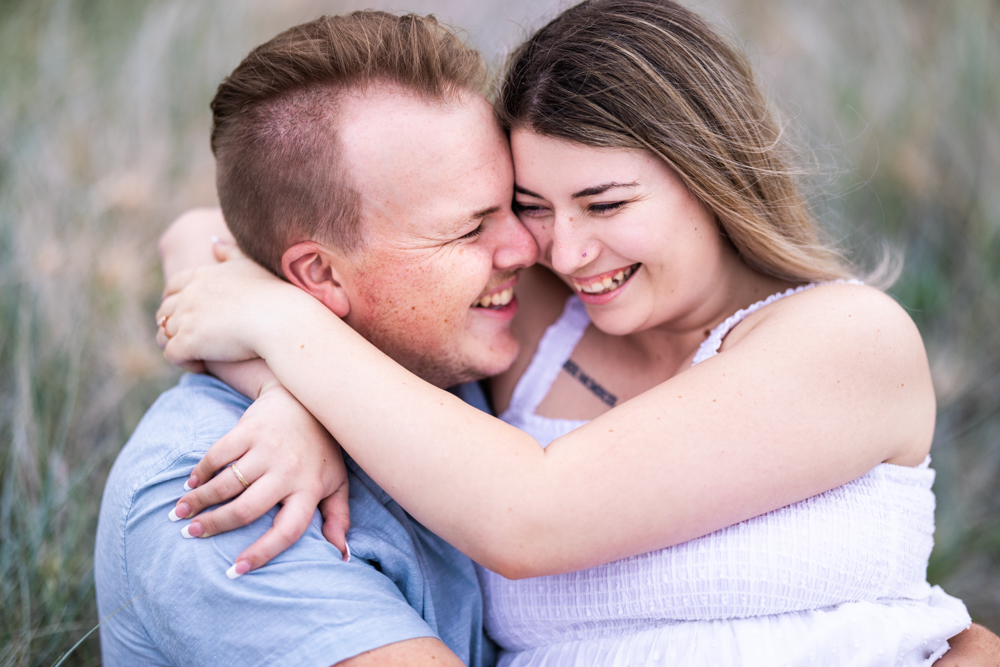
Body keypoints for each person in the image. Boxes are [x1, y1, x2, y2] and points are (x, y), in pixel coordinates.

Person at [156, 1, 998, 665]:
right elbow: (209, 235)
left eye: (605, 203)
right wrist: (289, 399)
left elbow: (532, 515)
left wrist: (277, 327)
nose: (562, 248)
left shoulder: (847, 338)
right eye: (531, 205)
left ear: (708, 172)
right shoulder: (531, 324)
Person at [95, 12, 539, 666]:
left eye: (518, 205)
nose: (528, 247)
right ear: (319, 273)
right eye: (469, 230)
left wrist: (295, 388)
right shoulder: (219, 489)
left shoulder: (444, 349)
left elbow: (193, 234)